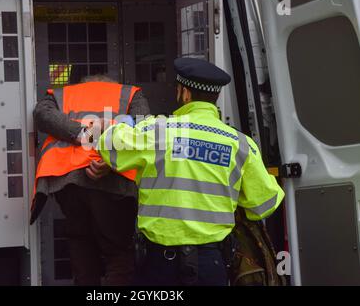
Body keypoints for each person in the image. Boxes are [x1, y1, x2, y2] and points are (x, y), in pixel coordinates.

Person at [96, 58, 285, 286]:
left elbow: (108, 145)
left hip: (160, 263)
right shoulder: (239, 144)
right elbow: (265, 203)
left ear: (185, 94)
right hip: (212, 263)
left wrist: (125, 123)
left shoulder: (158, 131)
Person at [31, 75, 150, 286]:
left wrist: (85, 134)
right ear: (111, 83)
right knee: (118, 253)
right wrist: (111, 161)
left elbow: (42, 115)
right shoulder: (131, 94)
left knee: (81, 246)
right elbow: (142, 129)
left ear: (84, 83)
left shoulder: (63, 94)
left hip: (70, 180)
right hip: (114, 182)